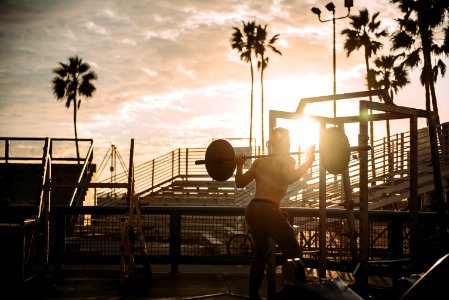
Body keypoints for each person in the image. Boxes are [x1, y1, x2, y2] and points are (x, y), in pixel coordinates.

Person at [235, 127, 315, 299]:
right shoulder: (288, 160)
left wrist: (239, 166)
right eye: (288, 140)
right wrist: (309, 161)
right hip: (267, 209)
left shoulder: (259, 162)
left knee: (260, 253)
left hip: (253, 208)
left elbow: (239, 182)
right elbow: (291, 177)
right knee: (294, 253)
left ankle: (253, 296)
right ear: (284, 143)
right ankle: (298, 295)